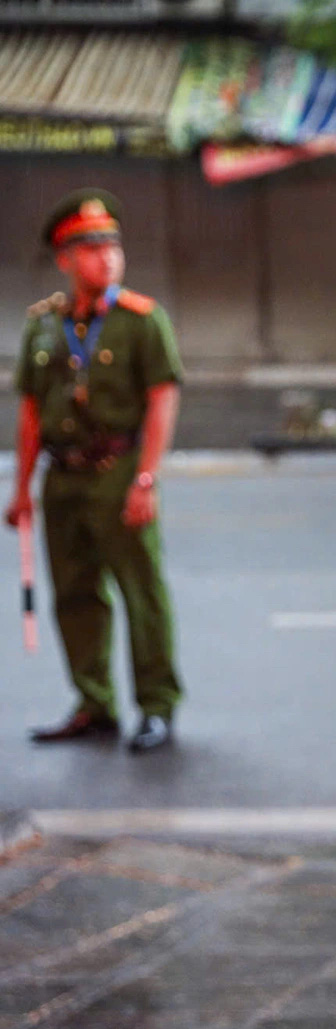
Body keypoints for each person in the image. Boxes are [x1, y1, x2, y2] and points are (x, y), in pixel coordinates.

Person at [8, 190, 184, 753]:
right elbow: (31, 413)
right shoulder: (42, 326)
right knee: (76, 595)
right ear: (65, 259)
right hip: (62, 477)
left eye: (111, 245)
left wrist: (146, 479)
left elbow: (162, 399)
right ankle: (94, 703)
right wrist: (22, 489)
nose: (105, 257)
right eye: (90, 248)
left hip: (119, 469)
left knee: (142, 593)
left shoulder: (141, 320)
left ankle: (156, 706)